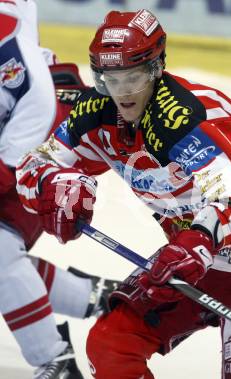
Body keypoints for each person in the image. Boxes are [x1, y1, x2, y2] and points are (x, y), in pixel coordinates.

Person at [16, 9, 231, 379]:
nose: (121, 91)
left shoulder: (180, 118)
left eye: (133, 77)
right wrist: (53, 186)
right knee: (110, 347)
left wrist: (197, 242)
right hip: (185, 259)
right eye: (110, 79)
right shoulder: (95, 112)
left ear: (155, 69)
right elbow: (33, 165)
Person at [0, 1, 119, 378]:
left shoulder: (22, 73)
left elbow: (16, 162)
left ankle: (54, 359)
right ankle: (87, 295)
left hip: (41, 143)